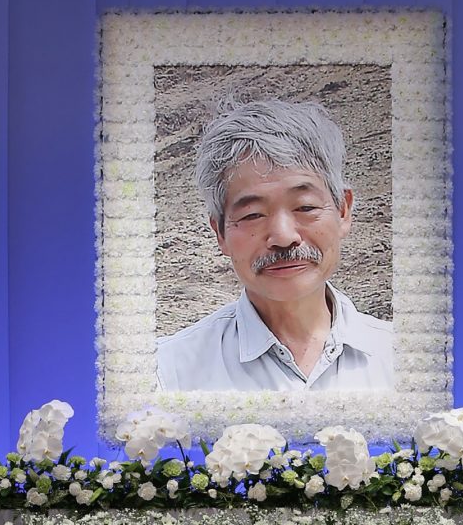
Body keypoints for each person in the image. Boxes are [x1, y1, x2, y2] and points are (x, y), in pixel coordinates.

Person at [156, 99, 394, 392]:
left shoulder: (408, 362)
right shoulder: (168, 375)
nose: (283, 237)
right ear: (219, 233)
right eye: (252, 215)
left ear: (343, 211)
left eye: (305, 207)